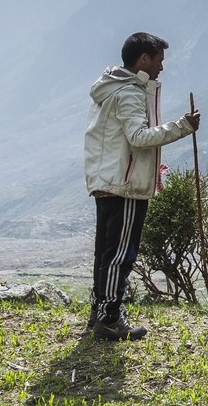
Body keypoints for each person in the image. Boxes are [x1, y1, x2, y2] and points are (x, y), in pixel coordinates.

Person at [83, 32, 201, 341]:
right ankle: (109, 318)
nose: (162, 67)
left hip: (108, 180)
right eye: (159, 60)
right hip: (126, 183)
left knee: (105, 252)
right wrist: (183, 127)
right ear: (144, 59)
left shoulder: (109, 89)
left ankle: (99, 312)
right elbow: (138, 137)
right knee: (121, 253)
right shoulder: (130, 93)